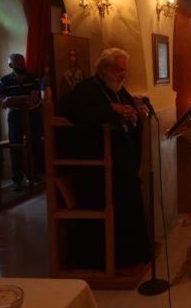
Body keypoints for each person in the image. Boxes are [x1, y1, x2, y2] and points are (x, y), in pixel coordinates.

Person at [66, 47, 150, 273]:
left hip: (122, 164)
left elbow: (129, 113)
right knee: (115, 211)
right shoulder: (86, 89)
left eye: (125, 71)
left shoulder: (119, 90)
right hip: (99, 167)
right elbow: (76, 114)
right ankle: (112, 261)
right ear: (104, 68)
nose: (123, 75)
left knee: (130, 208)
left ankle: (134, 257)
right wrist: (110, 109)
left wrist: (133, 116)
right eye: (119, 70)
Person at [0, 53, 44, 191]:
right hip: (15, 116)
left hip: (33, 114)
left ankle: (34, 176)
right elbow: (2, 100)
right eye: (17, 62)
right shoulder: (4, 80)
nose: (21, 64)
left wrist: (12, 99)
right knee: (15, 146)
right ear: (11, 65)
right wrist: (23, 99)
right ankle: (17, 180)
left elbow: (34, 97)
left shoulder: (33, 78)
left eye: (22, 61)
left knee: (35, 144)